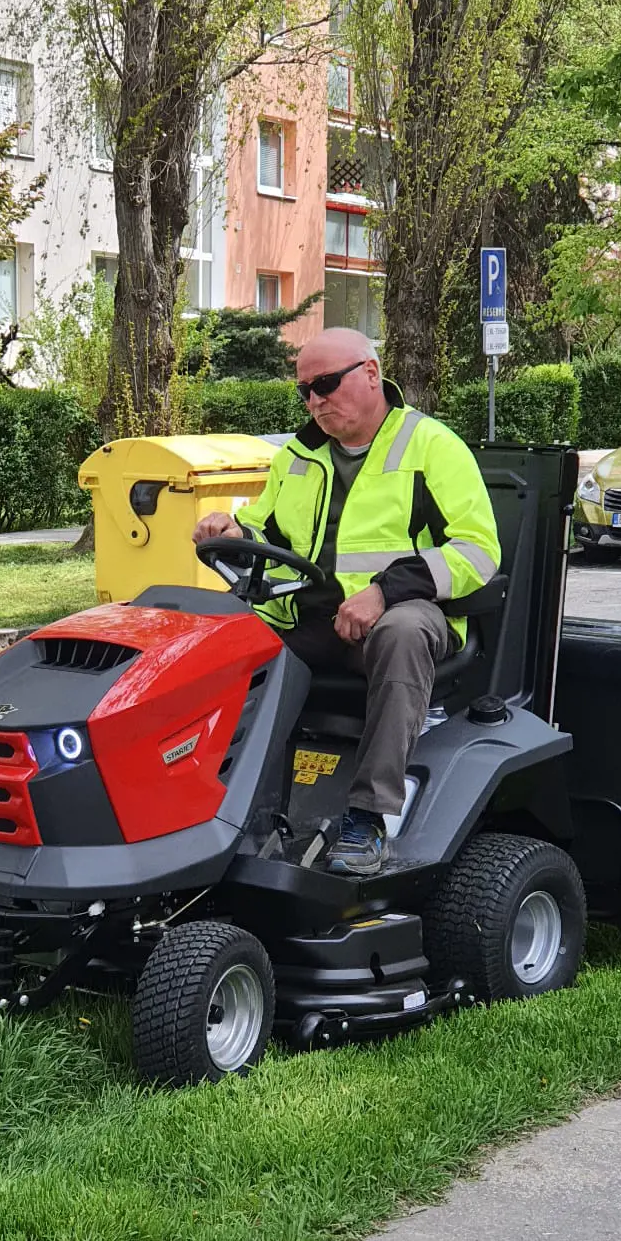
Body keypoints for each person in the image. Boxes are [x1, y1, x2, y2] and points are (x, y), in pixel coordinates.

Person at [193, 327, 500, 877]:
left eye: (326, 384)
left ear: (371, 374)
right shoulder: (297, 455)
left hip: (404, 613)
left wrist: (383, 592)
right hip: (309, 617)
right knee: (215, 636)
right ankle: (218, 804)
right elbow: (267, 531)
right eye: (304, 390)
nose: (314, 400)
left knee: (402, 634)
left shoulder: (431, 446)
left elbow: (477, 551)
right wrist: (233, 531)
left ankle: (367, 818)